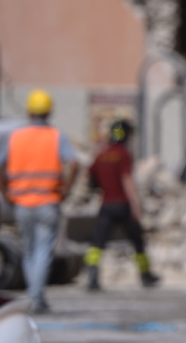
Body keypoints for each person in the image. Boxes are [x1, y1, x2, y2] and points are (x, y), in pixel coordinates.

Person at [0, 90, 79, 314]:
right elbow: (73, 163)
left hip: (22, 203)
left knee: (28, 251)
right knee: (43, 251)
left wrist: (6, 193)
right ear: (49, 112)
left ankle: (34, 296)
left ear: (29, 111)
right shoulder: (55, 136)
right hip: (48, 201)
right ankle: (36, 297)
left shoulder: (16, 137)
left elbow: (1, 164)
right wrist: (65, 189)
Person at [84, 119, 159, 290]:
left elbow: (90, 178)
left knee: (97, 242)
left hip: (106, 205)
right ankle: (145, 275)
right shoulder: (123, 154)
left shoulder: (101, 154)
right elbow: (127, 180)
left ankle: (92, 277)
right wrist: (136, 205)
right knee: (137, 240)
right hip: (123, 204)